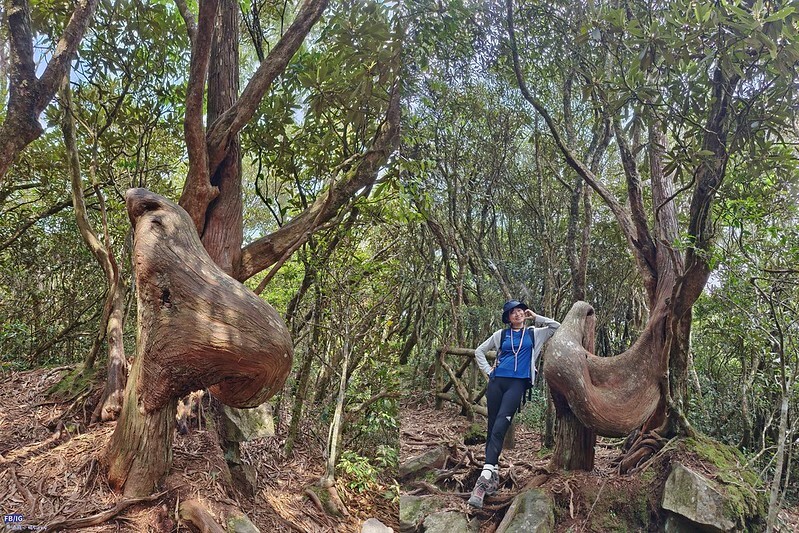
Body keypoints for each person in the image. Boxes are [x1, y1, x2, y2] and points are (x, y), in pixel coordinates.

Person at [467, 300, 560, 508]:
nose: (517, 314)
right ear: (508, 318)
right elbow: (479, 351)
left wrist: (535, 316)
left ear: (524, 314)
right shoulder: (500, 335)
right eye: (512, 313)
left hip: (517, 385)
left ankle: (483, 479)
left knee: (501, 425)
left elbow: (556, 327)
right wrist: (489, 371)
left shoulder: (534, 333)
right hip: (497, 382)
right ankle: (493, 473)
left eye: (520, 311)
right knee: (492, 427)